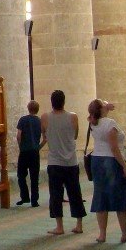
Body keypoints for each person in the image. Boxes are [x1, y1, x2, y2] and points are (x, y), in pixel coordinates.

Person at [88, 98, 126, 243]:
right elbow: (114, 149)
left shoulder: (92, 121)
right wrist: (124, 166)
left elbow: (94, 112)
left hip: (97, 161)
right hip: (111, 162)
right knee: (120, 197)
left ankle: (102, 234)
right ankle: (124, 233)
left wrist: (105, 106)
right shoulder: (110, 123)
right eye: (104, 104)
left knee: (101, 197)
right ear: (102, 109)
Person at [41, 90, 86, 235]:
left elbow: (44, 135)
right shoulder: (73, 117)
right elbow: (75, 135)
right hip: (71, 161)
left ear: (51, 102)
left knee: (55, 194)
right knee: (75, 193)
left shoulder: (45, 117)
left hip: (54, 162)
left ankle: (59, 226)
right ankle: (79, 224)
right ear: (64, 101)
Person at [16, 100, 42, 206]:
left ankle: (25, 197)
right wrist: (38, 147)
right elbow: (45, 138)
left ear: (28, 108)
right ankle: (34, 200)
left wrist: (20, 146)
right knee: (34, 177)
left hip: (24, 151)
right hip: (35, 152)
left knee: (21, 175)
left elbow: (18, 135)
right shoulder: (40, 121)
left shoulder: (23, 119)